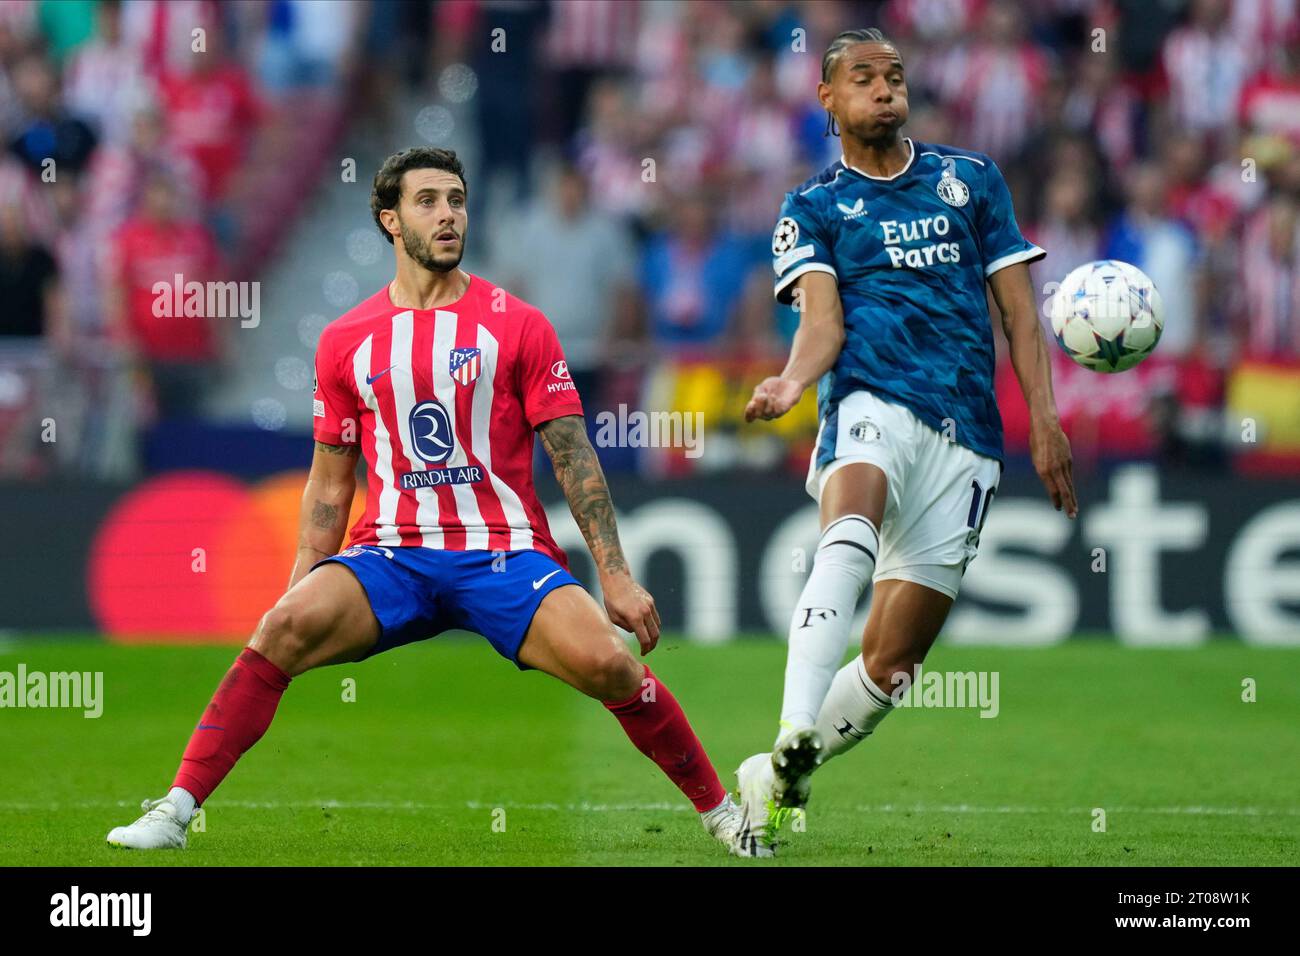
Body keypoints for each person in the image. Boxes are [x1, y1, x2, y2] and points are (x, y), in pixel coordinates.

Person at [106, 147, 765, 858]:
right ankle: (175, 811)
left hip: (503, 553)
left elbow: (574, 458)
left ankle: (723, 813)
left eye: (456, 199)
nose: (448, 213)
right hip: (391, 552)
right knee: (277, 631)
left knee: (610, 663)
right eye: (427, 201)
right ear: (390, 220)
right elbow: (330, 482)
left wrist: (615, 575)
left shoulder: (519, 325)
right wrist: (304, 580)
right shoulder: (345, 341)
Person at [738, 28, 1076, 852]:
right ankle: (792, 727)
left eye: (895, 76)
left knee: (892, 669)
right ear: (829, 99)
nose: (886, 89)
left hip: (968, 435)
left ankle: (779, 774)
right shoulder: (813, 207)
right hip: (871, 398)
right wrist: (790, 381)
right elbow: (823, 323)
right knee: (849, 527)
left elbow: (1020, 313)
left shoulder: (971, 180)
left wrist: (1046, 420)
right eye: (865, 78)